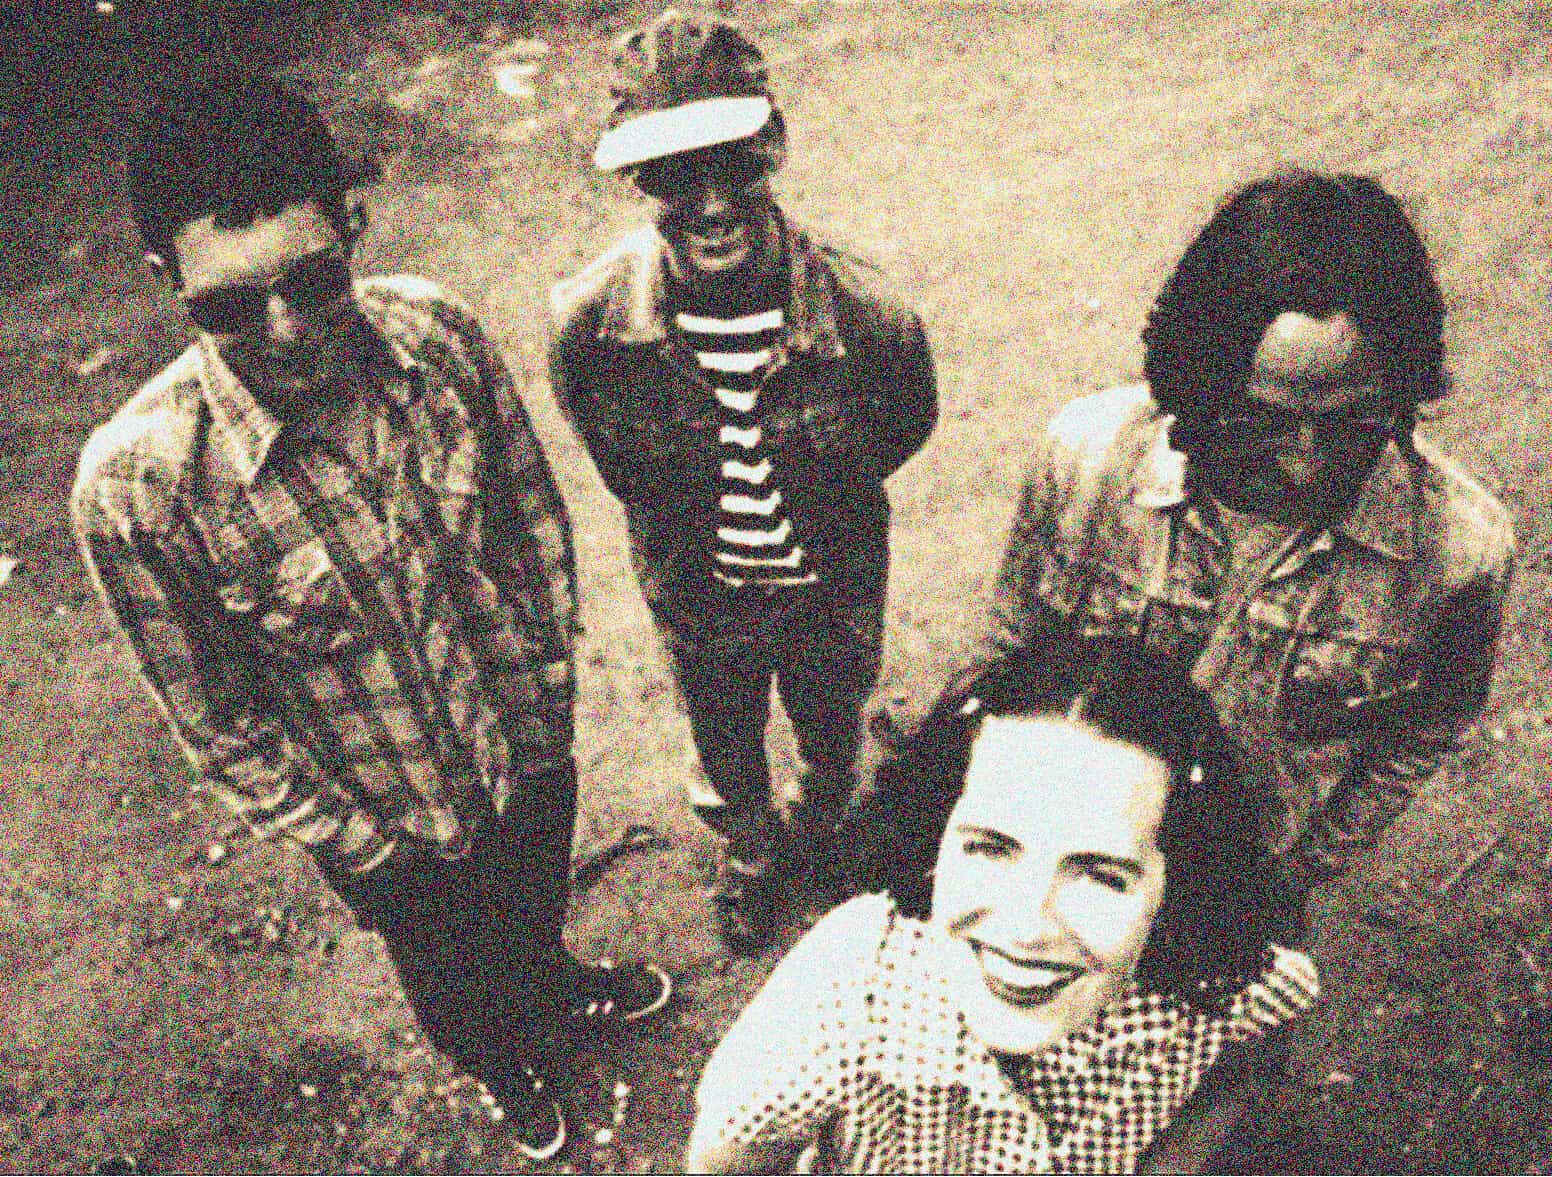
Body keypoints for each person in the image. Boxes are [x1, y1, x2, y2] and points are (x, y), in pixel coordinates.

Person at [70, 74, 669, 1162]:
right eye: (228, 305)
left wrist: (544, 711)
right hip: (382, 827)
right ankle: (503, 1061)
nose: (286, 331)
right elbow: (215, 721)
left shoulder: (439, 338)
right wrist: (363, 847)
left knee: (531, 903)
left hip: (520, 749)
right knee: (447, 976)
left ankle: (552, 986)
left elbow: (528, 528)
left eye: (313, 279)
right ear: (167, 282)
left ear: (353, 222)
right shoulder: (138, 490)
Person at [863, 168, 1513, 899]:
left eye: (1350, 424)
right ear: (1196, 382)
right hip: (1059, 849)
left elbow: (1427, 727)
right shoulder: (1086, 463)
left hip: (1235, 881)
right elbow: (1014, 645)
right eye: (1262, 422)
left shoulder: (1461, 553)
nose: (1305, 464)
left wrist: (1300, 873)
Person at [549, 9, 938, 952]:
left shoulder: (868, 311)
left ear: (774, 147)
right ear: (639, 179)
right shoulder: (590, 326)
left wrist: (819, 498)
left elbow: (904, 423)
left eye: (734, 162)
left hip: (832, 586)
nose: (712, 202)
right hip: (699, 594)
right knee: (723, 740)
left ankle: (827, 820)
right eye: (678, 174)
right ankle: (755, 857)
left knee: (833, 717)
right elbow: (612, 454)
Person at [686, 663, 1319, 1174]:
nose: (1025, 926)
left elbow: (1258, 1041)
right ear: (932, 840)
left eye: (1101, 874)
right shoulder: (840, 1005)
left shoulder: (1213, 981)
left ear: (1178, 888)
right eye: (990, 847)